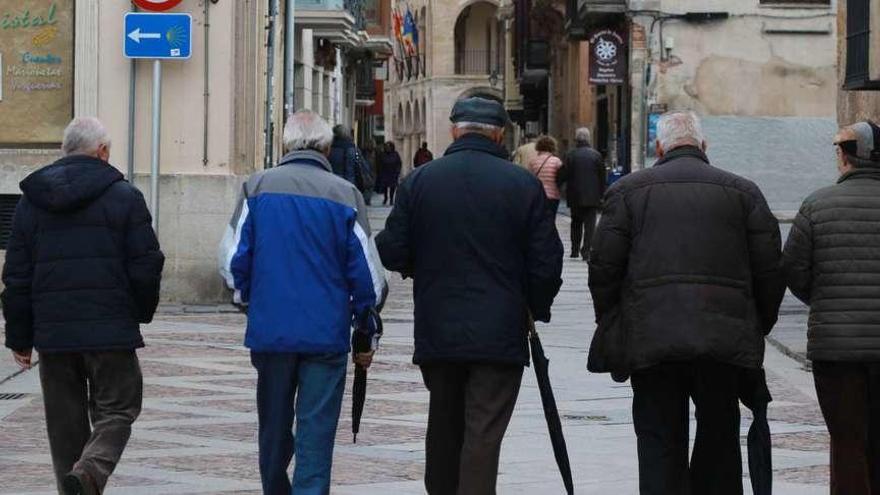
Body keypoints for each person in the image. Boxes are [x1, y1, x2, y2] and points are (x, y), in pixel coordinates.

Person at [588, 111, 785, 495]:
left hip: (652, 337)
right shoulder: (743, 193)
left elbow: (604, 269)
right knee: (719, 435)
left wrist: (617, 321)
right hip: (722, 338)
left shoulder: (628, 192)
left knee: (659, 437)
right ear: (704, 146)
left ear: (659, 147)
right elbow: (770, 269)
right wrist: (755, 323)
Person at [376, 97, 563, 494]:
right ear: (499, 135)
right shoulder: (522, 185)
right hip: (499, 330)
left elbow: (391, 248)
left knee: (444, 423)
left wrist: (418, 267)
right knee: (483, 432)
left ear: (454, 131)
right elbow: (547, 260)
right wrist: (534, 305)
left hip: (438, 327)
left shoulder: (421, 181)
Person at [218, 110, 387, 495]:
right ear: (327, 148)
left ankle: (274, 488)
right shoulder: (346, 194)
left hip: (271, 331)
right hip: (324, 334)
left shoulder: (257, 187)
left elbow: (232, 261)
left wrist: (249, 301)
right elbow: (368, 275)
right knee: (317, 432)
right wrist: (365, 316)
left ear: (285, 145)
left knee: (273, 428)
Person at [2, 117, 165, 495]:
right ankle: (91, 470)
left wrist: (20, 337)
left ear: (65, 151)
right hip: (110, 331)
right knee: (119, 408)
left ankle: (76, 483)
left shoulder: (31, 202)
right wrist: (138, 312)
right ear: (103, 151)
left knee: (65, 428)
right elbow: (146, 264)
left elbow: (17, 275)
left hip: (54, 334)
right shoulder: (125, 197)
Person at [783, 121, 880, 495]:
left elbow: (794, 270)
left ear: (845, 157)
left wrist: (825, 300)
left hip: (836, 348)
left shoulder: (816, 204)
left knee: (847, 439)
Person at [559, 127, 605, 260]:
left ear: (576, 139)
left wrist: (558, 185)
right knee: (590, 225)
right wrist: (601, 194)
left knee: (576, 223)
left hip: (575, 195)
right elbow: (602, 177)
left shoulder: (570, 155)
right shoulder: (596, 155)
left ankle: (574, 250)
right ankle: (586, 251)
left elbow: (563, 174)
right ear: (588, 139)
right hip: (592, 196)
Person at [528, 135, 564, 215]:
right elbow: (561, 177)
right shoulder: (556, 161)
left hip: (538, 196)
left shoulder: (533, 161)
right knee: (551, 219)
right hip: (553, 195)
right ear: (552, 147)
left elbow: (530, 179)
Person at [378, 141, 403, 205]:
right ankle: (385, 197)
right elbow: (379, 163)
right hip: (385, 172)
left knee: (392, 187)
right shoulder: (382, 154)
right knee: (385, 187)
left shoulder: (395, 154)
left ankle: (391, 199)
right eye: (387, 147)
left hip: (393, 173)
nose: (388, 148)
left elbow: (399, 163)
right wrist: (380, 172)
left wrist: (397, 171)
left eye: (389, 147)